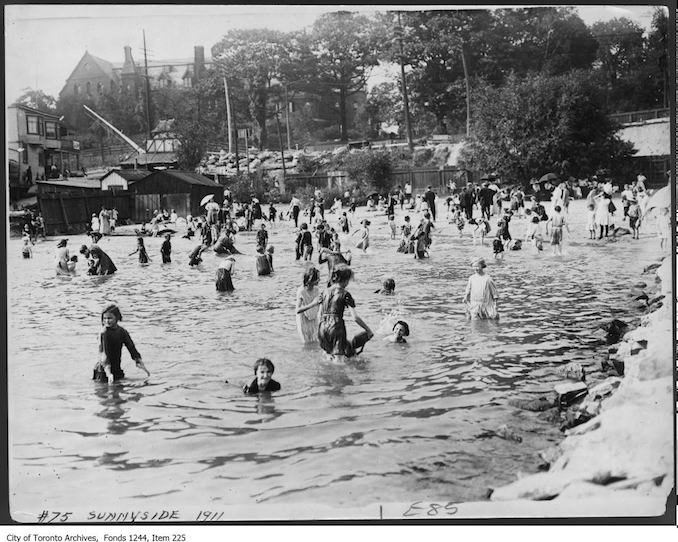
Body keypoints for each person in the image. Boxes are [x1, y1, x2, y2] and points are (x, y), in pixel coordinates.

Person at [297, 264, 373, 359]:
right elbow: (355, 317)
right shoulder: (345, 294)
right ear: (346, 280)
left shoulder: (324, 292)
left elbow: (320, 313)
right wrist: (368, 330)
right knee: (339, 362)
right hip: (336, 328)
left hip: (322, 328)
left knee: (328, 358)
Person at [93, 304, 150, 384]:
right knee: (106, 393)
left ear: (117, 318)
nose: (106, 321)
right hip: (103, 370)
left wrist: (139, 361)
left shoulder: (122, 332)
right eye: (104, 318)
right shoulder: (104, 333)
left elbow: (131, 348)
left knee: (118, 391)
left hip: (116, 369)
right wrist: (109, 373)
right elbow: (103, 354)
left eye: (109, 318)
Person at [295, 267, 320, 344]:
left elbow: (319, 304)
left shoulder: (317, 289)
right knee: (307, 343)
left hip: (314, 318)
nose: (319, 280)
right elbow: (297, 310)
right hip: (303, 320)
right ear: (311, 279)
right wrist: (313, 304)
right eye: (317, 278)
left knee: (316, 341)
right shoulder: (302, 291)